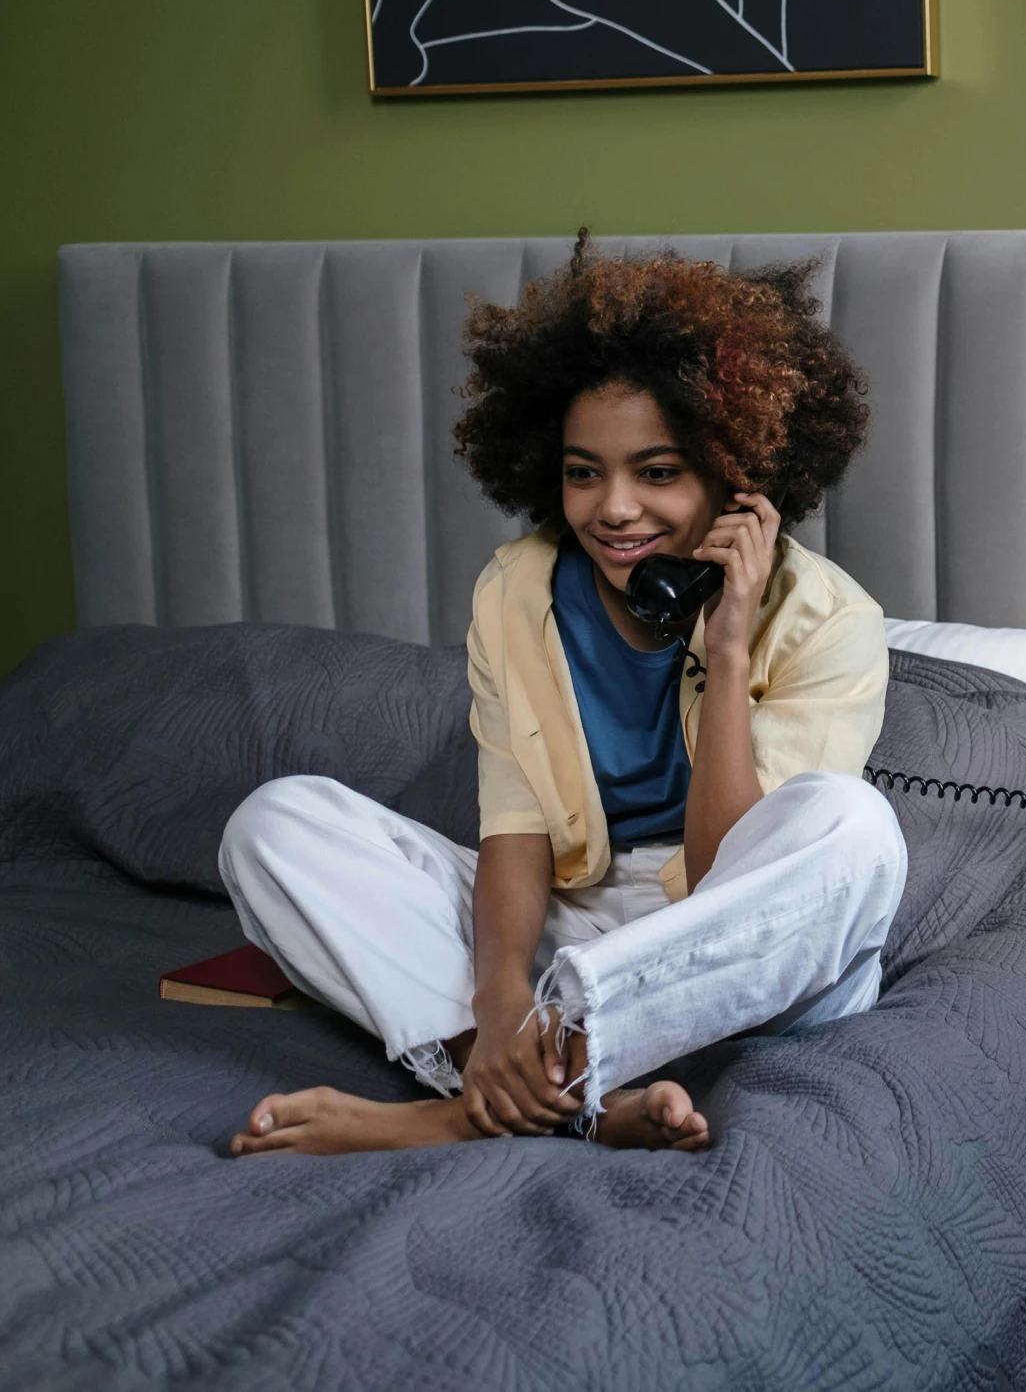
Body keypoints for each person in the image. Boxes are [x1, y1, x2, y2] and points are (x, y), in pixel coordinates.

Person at [218, 239, 902, 1156]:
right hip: (573, 932)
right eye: (584, 471)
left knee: (856, 829)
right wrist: (500, 1002)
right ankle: (545, 1084)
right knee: (273, 824)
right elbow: (515, 827)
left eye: (657, 472)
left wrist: (729, 650)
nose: (613, 508)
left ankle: (465, 1113)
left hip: (734, 948)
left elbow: (721, 881)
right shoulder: (518, 591)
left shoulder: (829, 622)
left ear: (740, 477)